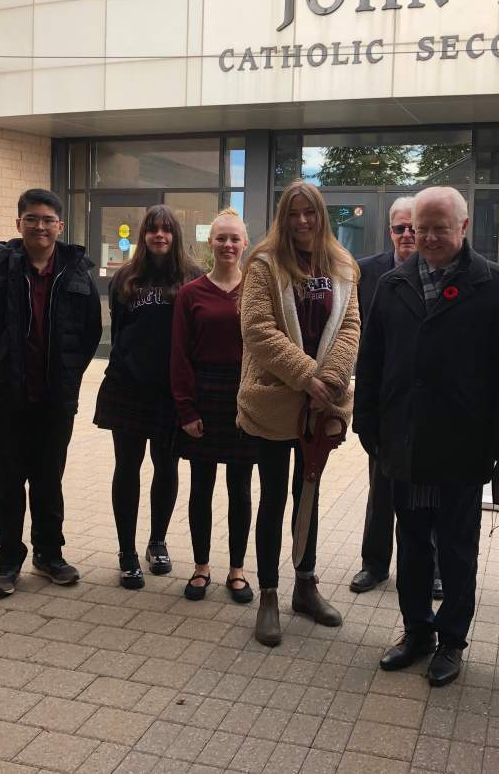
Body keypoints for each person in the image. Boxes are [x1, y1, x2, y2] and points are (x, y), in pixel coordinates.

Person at [355, 186, 499, 686]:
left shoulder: (495, 286)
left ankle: (452, 640)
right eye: (418, 227)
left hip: (462, 449)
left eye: (439, 227)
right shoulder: (392, 284)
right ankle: (416, 632)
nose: (427, 237)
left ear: (464, 227)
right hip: (404, 444)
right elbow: (371, 364)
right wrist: (368, 427)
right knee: (410, 545)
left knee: (456, 550)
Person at [0, 188, 102, 596]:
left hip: (56, 400)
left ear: (60, 225)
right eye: (31, 218)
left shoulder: (76, 274)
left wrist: (70, 375)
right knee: (6, 481)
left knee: (48, 479)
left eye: (47, 219)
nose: (40, 226)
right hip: (7, 400)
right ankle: (7, 561)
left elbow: (90, 333)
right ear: (18, 223)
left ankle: (49, 554)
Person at [238, 180, 360, 647]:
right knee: (272, 499)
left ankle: (305, 586)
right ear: (283, 218)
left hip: (320, 405)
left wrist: (327, 382)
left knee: (308, 494)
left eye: (310, 213)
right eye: (294, 214)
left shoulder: (344, 267)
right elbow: (257, 328)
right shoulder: (265, 264)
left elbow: (350, 326)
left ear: (322, 216)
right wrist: (306, 376)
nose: (303, 221)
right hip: (275, 401)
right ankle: (269, 594)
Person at [94, 205, 198, 589]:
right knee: (127, 468)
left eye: (166, 230)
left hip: (170, 392)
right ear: (143, 235)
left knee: (166, 467)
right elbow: (120, 332)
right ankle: (126, 552)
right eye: (152, 230)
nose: (159, 236)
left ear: (176, 235)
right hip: (127, 388)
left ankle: (157, 542)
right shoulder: (126, 278)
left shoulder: (191, 278)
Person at [170, 209, 256, 603]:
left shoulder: (258, 291)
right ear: (210, 242)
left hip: (244, 399)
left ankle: (237, 569)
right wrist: (186, 410)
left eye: (234, 238)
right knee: (201, 487)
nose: (228, 245)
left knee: (240, 487)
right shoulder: (191, 294)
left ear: (245, 243)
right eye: (221, 238)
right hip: (204, 396)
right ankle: (201, 566)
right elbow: (179, 356)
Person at [349, 196, 433, 596]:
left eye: (412, 228)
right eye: (399, 228)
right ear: (390, 232)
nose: (406, 235)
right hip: (386, 402)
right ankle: (374, 563)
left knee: (427, 488)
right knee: (380, 487)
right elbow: (361, 339)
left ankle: (428, 568)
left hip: (430, 403)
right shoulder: (366, 274)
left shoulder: (441, 270)